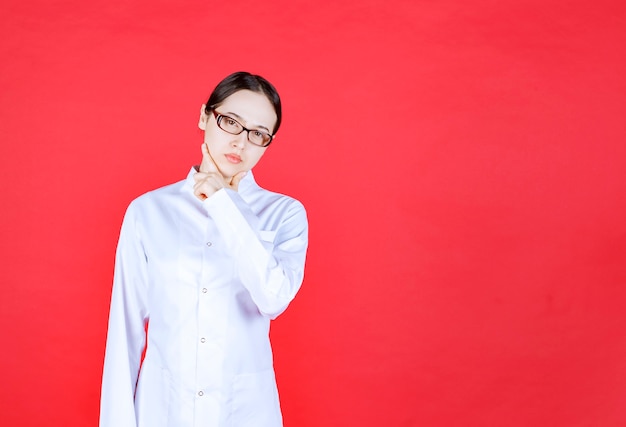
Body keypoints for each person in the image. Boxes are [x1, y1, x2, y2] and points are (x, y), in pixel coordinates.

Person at [100, 71, 308, 427]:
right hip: (162, 411)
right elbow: (125, 332)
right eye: (230, 122)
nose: (240, 143)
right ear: (204, 116)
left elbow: (273, 298)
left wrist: (223, 203)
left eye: (258, 134)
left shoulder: (284, 214)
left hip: (245, 413)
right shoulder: (148, 211)